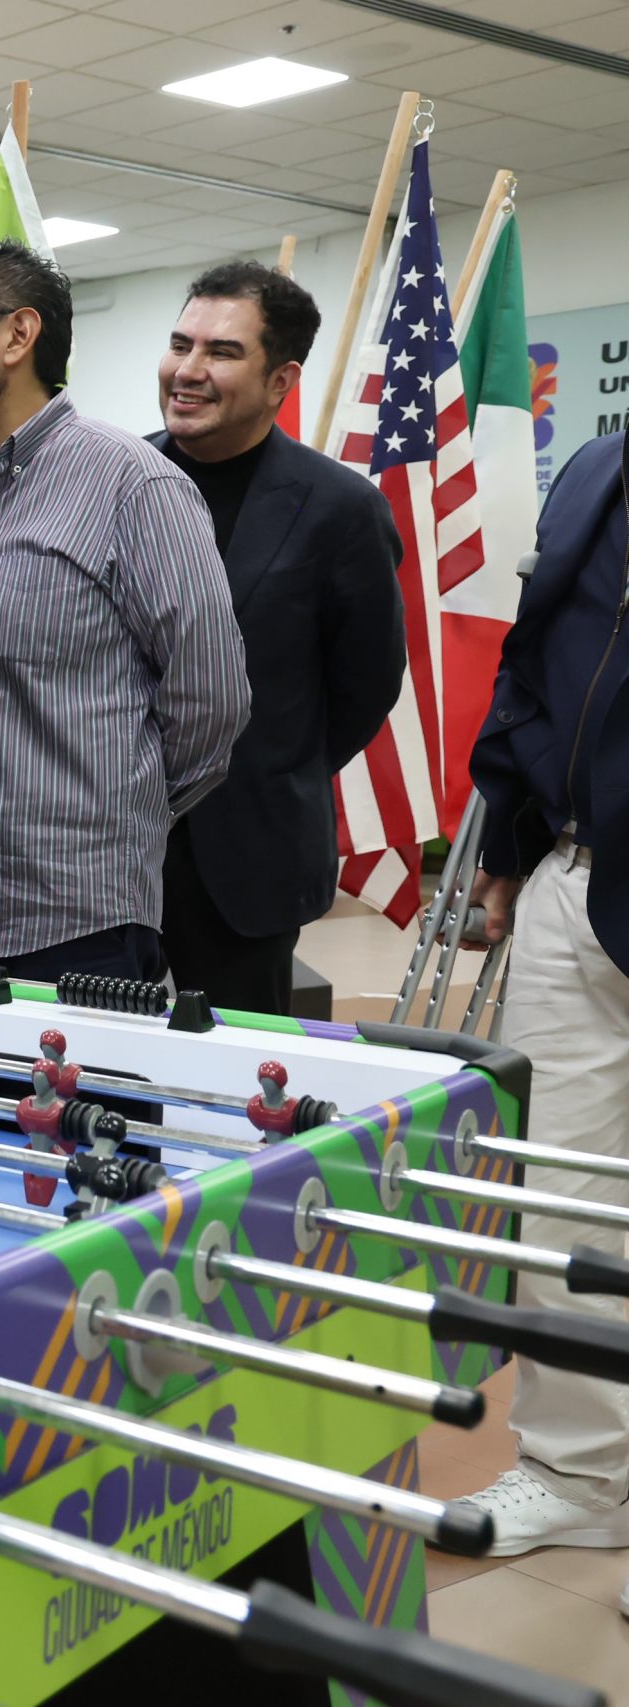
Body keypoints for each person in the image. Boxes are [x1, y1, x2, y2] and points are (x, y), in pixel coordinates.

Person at [0, 239, 249, 983]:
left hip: (71, 927)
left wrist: (111, 812)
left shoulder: (132, 485)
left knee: (67, 1108)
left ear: (17, 335)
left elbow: (210, 703)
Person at [452, 428, 629, 1570]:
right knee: (563, 1194)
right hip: (576, 878)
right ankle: (577, 1472)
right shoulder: (598, 466)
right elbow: (537, 658)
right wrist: (511, 839)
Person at [149, 261, 404, 1014]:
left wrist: (273, 765)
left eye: (221, 352)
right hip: (105, 855)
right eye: (179, 343)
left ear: (281, 381)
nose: (188, 370)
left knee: (224, 1088)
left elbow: (365, 686)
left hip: (246, 862)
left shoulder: (340, 510)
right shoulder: (115, 478)